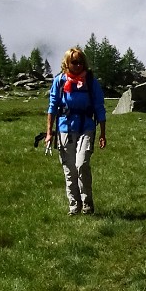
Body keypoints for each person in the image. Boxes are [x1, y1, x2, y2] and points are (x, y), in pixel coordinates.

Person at [45, 46, 107, 215]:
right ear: (67, 63)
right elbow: (52, 107)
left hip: (86, 127)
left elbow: (100, 107)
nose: (78, 65)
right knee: (70, 170)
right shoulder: (59, 82)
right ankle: (74, 206)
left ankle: (87, 204)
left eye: (81, 62)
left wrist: (102, 133)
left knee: (82, 164)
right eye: (74, 62)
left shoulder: (90, 81)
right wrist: (49, 133)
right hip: (65, 129)